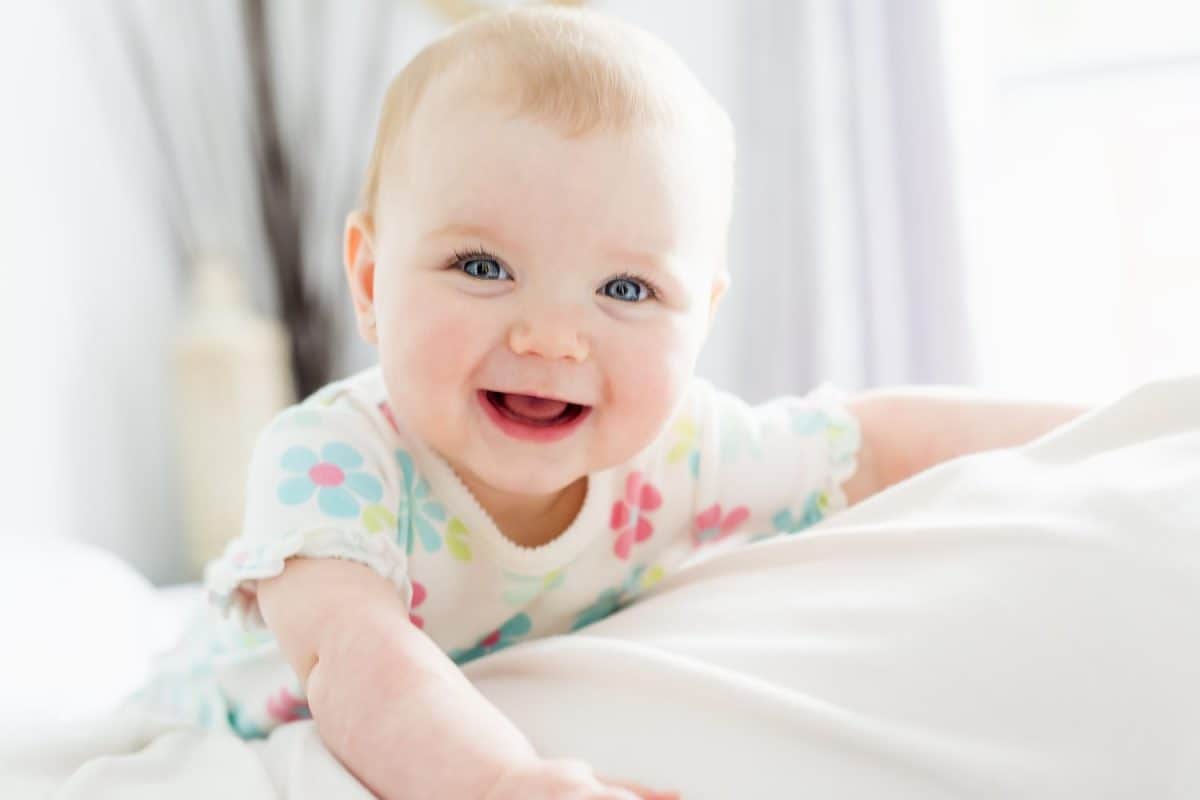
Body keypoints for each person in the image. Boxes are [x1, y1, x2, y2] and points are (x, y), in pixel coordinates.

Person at [129, 7, 1083, 799]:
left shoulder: (684, 451)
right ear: (372, 282)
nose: (552, 337)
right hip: (216, 715)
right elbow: (356, 660)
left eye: (626, 291)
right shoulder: (332, 458)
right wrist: (503, 785)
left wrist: (1096, 431)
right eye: (482, 266)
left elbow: (869, 445)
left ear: (700, 316)